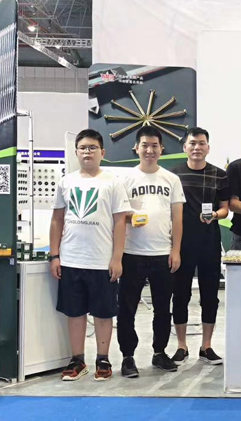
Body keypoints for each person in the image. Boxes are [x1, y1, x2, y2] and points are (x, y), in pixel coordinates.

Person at [49, 129, 131, 381]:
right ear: (76, 152)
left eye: (92, 147)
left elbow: (120, 222)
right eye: (83, 147)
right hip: (71, 259)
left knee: (103, 314)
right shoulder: (66, 182)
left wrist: (117, 258)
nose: (87, 152)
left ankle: (102, 360)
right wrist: (54, 255)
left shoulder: (113, 182)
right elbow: (57, 220)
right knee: (74, 313)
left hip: (101, 261)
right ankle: (78, 360)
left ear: (102, 152)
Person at [117, 126, 185, 378]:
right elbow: (117, 215)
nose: (149, 150)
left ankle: (159, 352)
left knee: (162, 308)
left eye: (154, 145)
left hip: (162, 253)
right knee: (127, 308)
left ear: (161, 149)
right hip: (131, 253)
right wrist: (130, 217)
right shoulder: (125, 179)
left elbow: (177, 218)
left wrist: (175, 250)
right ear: (136, 148)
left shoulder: (171, 179)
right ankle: (127, 356)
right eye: (145, 145)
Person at [170, 127, 229, 366]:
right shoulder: (173, 175)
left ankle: (206, 346)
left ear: (208, 147)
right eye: (192, 143)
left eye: (202, 143)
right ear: (185, 147)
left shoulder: (220, 175)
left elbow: (225, 209)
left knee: (210, 295)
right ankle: (181, 345)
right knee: (180, 294)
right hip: (181, 243)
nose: (197, 147)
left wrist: (214, 215)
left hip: (209, 242)